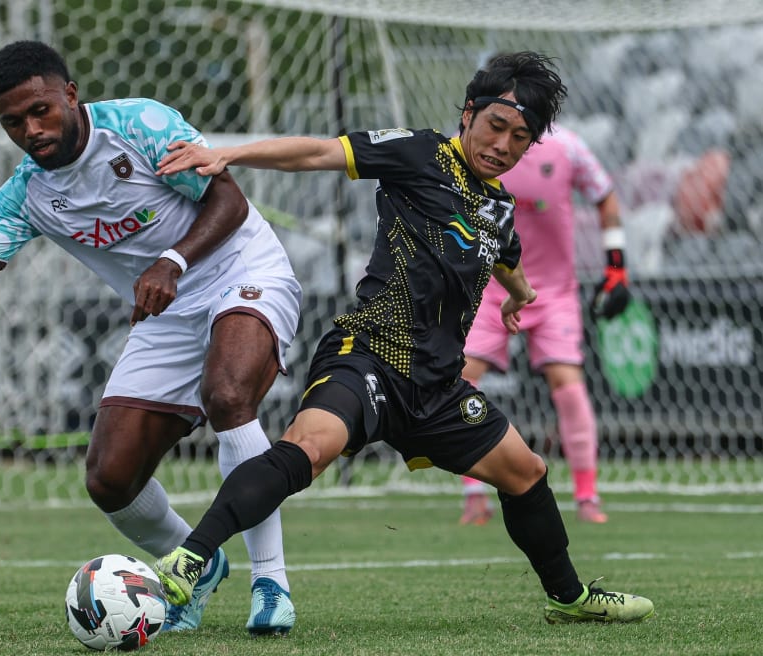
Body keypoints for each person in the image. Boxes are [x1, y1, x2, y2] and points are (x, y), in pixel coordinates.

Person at [152, 52, 655, 625]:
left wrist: (520, 297)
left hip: (438, 387)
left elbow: (506, 261)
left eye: (520, 138)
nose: (503, 145)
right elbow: (319, 151)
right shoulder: (420, 152)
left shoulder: (500, 207)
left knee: (528, 472)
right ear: (468, 114)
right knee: (307, 450)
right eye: (496, 125)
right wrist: (228, 154)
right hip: (369, 356)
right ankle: (190, 559)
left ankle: (570, 599)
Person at [0, 40, 300, 635]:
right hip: (165, 310)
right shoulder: (27, 193)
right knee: (110, 477)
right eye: (13, 122)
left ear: (70, 94)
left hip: (241, 271)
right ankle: (197, 568)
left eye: (41, 110)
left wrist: (172, 261)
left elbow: (228, 200)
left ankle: (271, 584)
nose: (31, 129)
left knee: (228, 396)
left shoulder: (141, 124)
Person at [458, 123, 630, 526]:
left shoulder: (569, 147)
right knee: (461, 380)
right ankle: (473, 494)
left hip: (554, 291)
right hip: (491, 286)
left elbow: (605, 197)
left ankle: (587, 496)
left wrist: (616, 267)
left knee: (568, 387)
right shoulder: (476, 145)